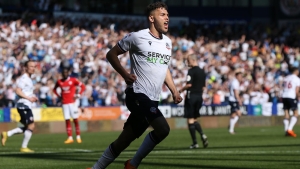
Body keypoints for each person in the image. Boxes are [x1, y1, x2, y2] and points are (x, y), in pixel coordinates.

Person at [88, 2, 182, 169]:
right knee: (163, 129)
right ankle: (133, 164)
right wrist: (125, 75)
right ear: (151, 18)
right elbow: (111, 54)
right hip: (137, 94)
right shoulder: (137, 37)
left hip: (152, 99)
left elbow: (164, 67)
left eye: (167, 15)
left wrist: (174, 90)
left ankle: (96, 168)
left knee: (124, 139)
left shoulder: (167, 43)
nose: (167, 17)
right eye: (162, 14)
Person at [1, 60, 38, 152]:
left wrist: (32, 97)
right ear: (26, 68)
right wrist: (28, 99)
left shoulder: (29, 79)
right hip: (23, 106)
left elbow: (25, 92)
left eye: (34, 66)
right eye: (31, 66)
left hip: (26, 105)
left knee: (28, 127)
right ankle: (23, 147)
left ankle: (7, 134)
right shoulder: (24, 78)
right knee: (31, 126)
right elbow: (18, 91)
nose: (33, 68)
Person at [178, 54, 208, 149]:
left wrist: (180, 91)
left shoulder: (191, 71)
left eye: (188, 60)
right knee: (194, 119)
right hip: (199, 96)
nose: (187, 62)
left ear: (193, 60)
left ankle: (195, 143)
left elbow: (189, 85)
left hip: (191, 96)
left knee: (190, 120)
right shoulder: (202, 71)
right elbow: (204, 86)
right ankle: (202, 135)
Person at [53, 67, 86, 144]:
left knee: (75, 120)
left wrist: (78, 95)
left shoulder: (73, 80)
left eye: (66, 73)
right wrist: (59, 96)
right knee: (67, 120)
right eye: (63, 73)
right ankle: (70, 137)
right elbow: (54, 89)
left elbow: (83, 86)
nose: (64, 74)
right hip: (64, 103)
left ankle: (78, 137)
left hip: (72, 103)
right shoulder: (59, 82)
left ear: (68, 73)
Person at [282, 67, 300, 137]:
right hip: (291, 96)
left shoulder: (286, 78)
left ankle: (286, 130)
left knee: (286, 113)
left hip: (284, 95)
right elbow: (297, 89)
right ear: (295, 71)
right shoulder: (297, 79)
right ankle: (289, 129)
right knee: (296, 113)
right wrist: (297, 96)